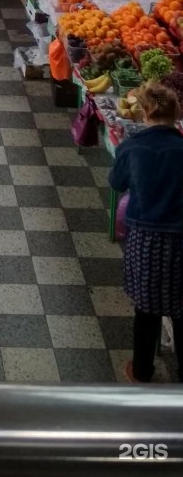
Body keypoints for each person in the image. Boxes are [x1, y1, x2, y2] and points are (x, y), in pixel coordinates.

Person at [109, 83, 183, 384]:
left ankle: (142, 371)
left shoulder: (132, 147)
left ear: (144, 113)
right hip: (181, 237)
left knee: (146, 309)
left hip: (146, 239)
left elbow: (116, 182)